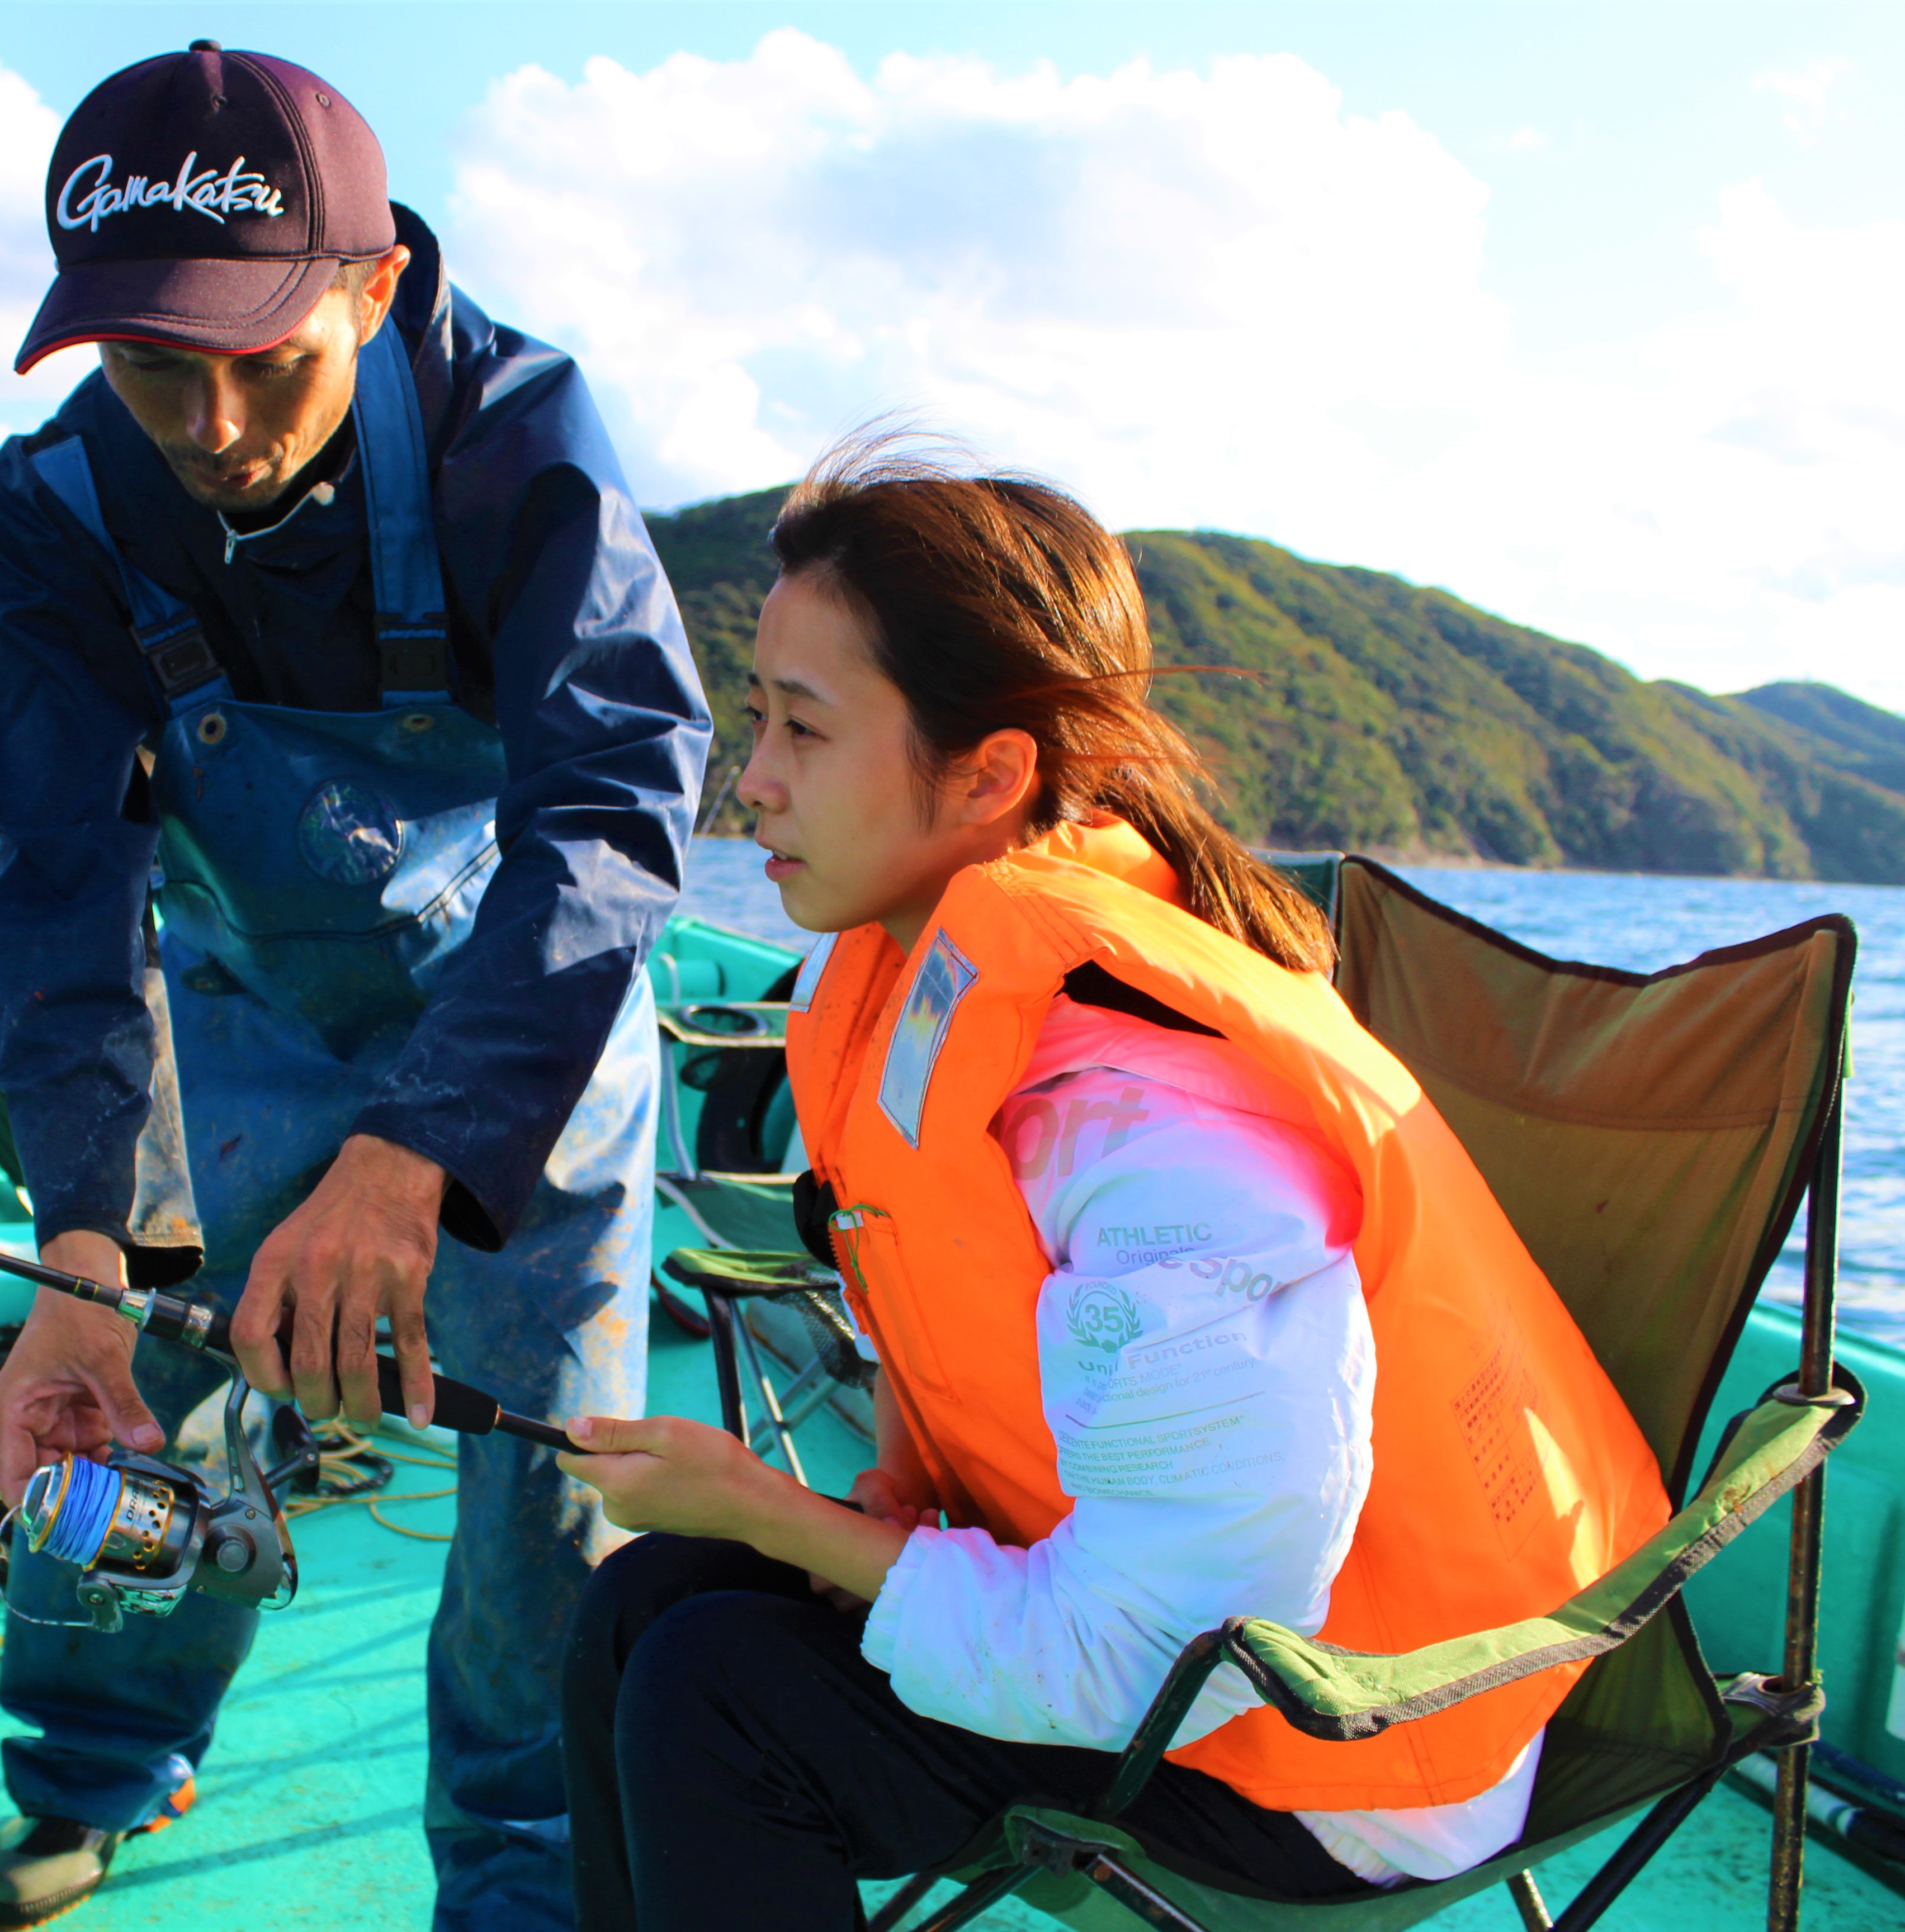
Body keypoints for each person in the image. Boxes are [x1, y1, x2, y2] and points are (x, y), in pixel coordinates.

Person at [554, 438, 1669, 1931]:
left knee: (723, 1697)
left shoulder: (1151, 1134)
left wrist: (791, 1518)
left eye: (803, 732)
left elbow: (1154, 1653)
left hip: (1345, 1749)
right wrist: (876, 1505)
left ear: (992, 774)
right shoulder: (932, 994)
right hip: (1158, 1639)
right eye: (755, 721)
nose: (746, 784)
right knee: (648, 1600)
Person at [0, 41, 708, 1930]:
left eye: (266, 361)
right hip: (248, 1010)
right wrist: (81, 1252)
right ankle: (94, 1767)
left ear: (377, 289)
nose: (208, 424)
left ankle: (528, 1878)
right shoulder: (46, 515)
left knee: (545, 1475)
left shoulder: (518, 434)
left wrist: (420, 1159)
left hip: (529, 1022)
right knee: (158, 1401)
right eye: (150, 367)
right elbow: (63, 889)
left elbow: (613, 803)